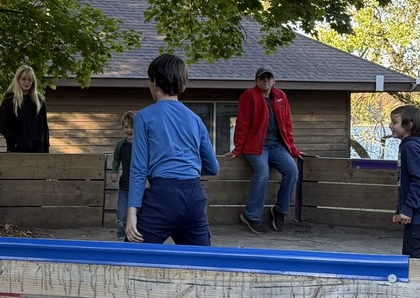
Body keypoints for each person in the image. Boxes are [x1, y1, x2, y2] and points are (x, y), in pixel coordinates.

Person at [125, 54, 219, 245]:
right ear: (182, 83)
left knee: (133, 255)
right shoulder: (195, 119)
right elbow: (213, 167)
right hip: (194, 194)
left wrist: (131, 212)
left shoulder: (143, 117)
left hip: (163, 195)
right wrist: (186, 167)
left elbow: (138, 168)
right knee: (201, 263)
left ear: (155, 82)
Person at [228, 66, 302, 234]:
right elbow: (242, 124)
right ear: (256, 81)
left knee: (292, 170)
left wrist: (293, 150)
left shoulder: (281, 96)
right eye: (262, 78)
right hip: (256, 146)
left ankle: (279, 211)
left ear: (274, 81)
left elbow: (287, 125)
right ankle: (251, 216)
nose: (266, 80)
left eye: (269, 77)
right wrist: (238, 149)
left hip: (277, 146)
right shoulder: (249, 96)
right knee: (262, 172)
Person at [390, 105, 420, 259]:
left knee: (414, 261)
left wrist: (408, 208)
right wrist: (400, 210)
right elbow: (405, 183)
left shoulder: (410, 147)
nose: (391, 126)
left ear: (409, 125)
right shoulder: (410, 146)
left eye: (394, 122)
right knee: (418, 256)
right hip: (419, 212)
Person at [0, 65, 50, 152]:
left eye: (29, 80)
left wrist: (45, 148)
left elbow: (44, 127)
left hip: (37, 149)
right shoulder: (9, 100)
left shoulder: (39, 101)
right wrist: (15, 139)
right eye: (24, 79)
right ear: (18, 80)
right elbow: (1, 126)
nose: (27, 82)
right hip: (16, 148)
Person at [109, 111, 136, 241]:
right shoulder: (121, 145)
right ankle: (121, 238)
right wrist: (114, 171)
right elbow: (116, 159)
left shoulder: (142, 144)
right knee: (122, 214)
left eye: (132, 126)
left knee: (139, 215)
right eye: (126, 127)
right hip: (125, 186)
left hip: (140, 186)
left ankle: (136, 239)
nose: (129, 130)